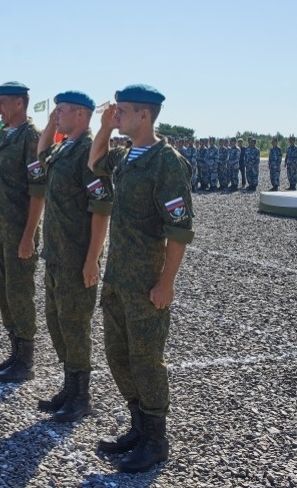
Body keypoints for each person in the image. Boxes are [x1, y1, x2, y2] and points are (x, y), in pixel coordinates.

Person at [88, 84, 195, 473]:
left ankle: (156, 440)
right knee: (118, 356)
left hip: (146, 281)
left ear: (144, 116)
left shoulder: (166, 162)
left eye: (123, 112)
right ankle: (137, 427)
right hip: (118, 277)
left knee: (146, 359)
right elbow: (94, 162)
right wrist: (103, 127)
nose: (117, 116)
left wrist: (166, 283)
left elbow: (179, 228)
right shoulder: (127, 156)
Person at [36, 91, 112, 422]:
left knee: (75, 325)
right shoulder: (65, 146)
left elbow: (101, 210)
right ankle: (69, 387)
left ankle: (81, 396)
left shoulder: (89, 152)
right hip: (56, 253)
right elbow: (41, 157)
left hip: (76, 256)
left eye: (62, 111)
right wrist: (49, 125)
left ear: (81, 115)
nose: (56, 115)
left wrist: (92, 258)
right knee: (57, 323)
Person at [0, 81, 46, 383]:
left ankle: (26, 361)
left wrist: (29, 235)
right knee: (5, 293)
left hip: (20, 231)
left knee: (20, 293)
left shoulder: (32, 137)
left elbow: (37, 192)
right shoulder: (7, 135)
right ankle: (15, 353)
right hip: (0, 229)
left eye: (3, 103)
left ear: (19, 103)